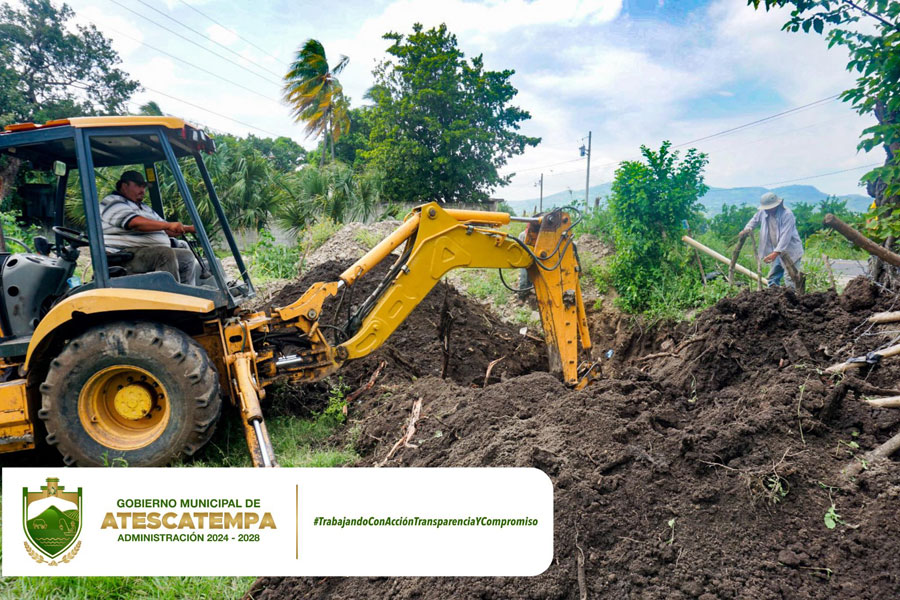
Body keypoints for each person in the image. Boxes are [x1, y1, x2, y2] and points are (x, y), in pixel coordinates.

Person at [99, 170, 201, 285]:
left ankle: (187, 293)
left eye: (144, 187)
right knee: (164, 254)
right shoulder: (113, 202)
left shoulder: (144, 207)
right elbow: (134, 223)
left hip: (143, 252)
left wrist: (190, 228)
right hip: (123, 255)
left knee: (186, 256)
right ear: (124, 186)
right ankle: (170, 294)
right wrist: (168, 225)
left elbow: (167, 229)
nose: (143, 190)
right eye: (138, 186)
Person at [740, 192, 803, 288]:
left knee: (790, 277)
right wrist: (746, 230)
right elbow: (754, 220)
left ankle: (793, 295)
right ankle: (773, 294)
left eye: (770, 208)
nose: (768, 210)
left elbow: (785, 236)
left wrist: (776, 253)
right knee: (773, 277)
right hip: (775, 249)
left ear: (777, 205)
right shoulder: (763, 212)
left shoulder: (787, 214)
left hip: (790, 250)